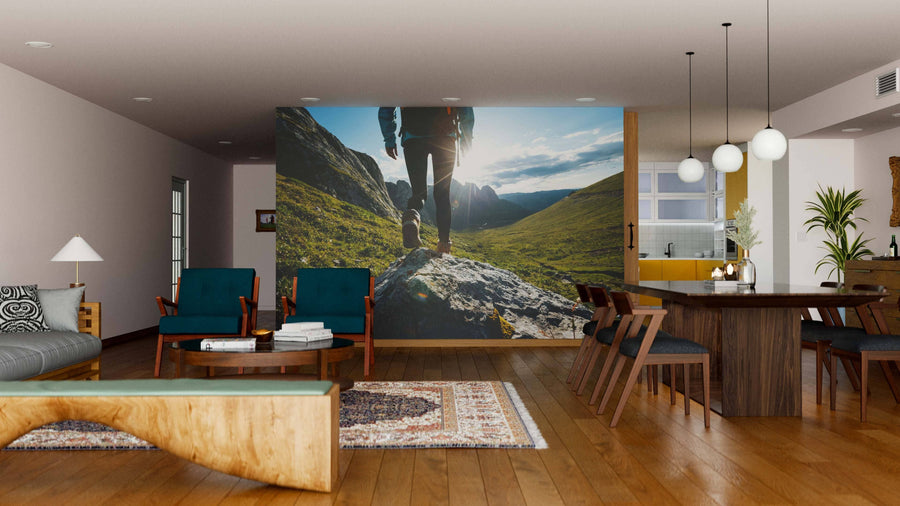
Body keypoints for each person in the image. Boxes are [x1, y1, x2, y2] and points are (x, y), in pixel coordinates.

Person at [378, 106, 474, 254]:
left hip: (413, 136)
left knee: (419, 192)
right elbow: (465, 108)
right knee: (442, 194)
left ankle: (412, 216)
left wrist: (389, 139)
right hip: (445, 137)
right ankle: (444, 246)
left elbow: (386, 107)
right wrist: (466, 140)